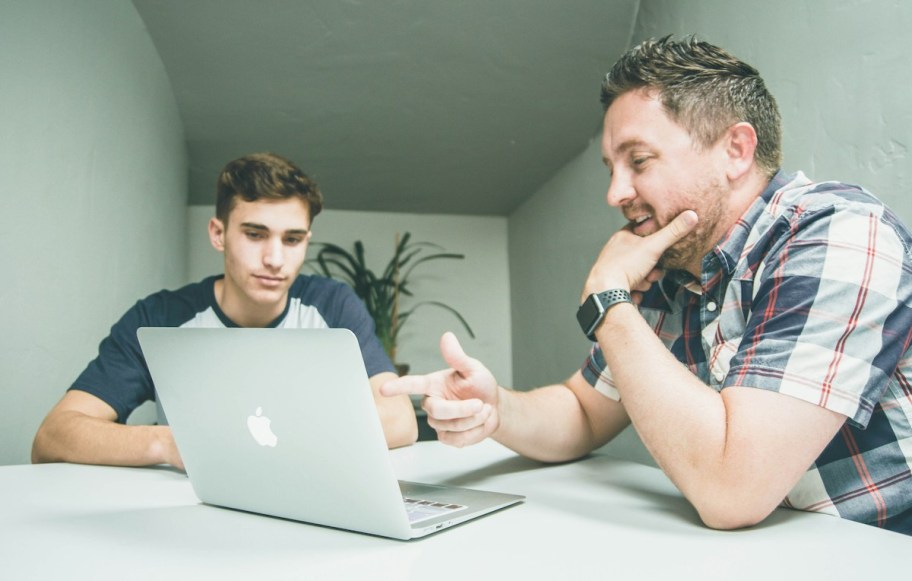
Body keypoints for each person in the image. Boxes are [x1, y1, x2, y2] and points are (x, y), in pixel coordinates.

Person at [382, 36, 912, 535]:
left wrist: (610, 299)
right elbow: (584, 410)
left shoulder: (840, 234)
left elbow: (733, 491)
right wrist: (497, 408)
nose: (615, 192)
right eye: (611, 168)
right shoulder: (676, 265)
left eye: (638, 161)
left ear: (736, 150)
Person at [33, 152, 418, 469]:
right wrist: (170, 444)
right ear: (219, 234)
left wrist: (269, 437)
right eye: (255, 234)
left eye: (293, 239)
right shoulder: (160, 317)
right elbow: (54, 436)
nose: (274, 258)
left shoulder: (332, 305)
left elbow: (400, 420)